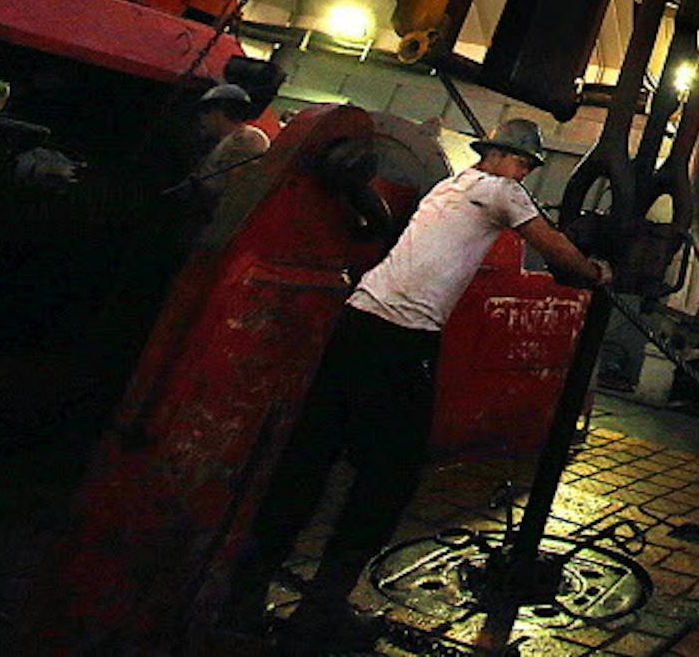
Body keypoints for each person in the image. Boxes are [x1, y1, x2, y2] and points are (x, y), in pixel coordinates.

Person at [229, 117, 612, 654]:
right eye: (521, 161)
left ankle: (240, 597)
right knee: (390, 478)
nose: (524, 171)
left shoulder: (447, 186)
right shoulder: (499, 191)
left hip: (356, 321)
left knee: (308, 461)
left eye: (527, 165)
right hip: (401, 338)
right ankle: (322, 611)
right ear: (498, 157)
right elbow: (556, 250)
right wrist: (597, 273)